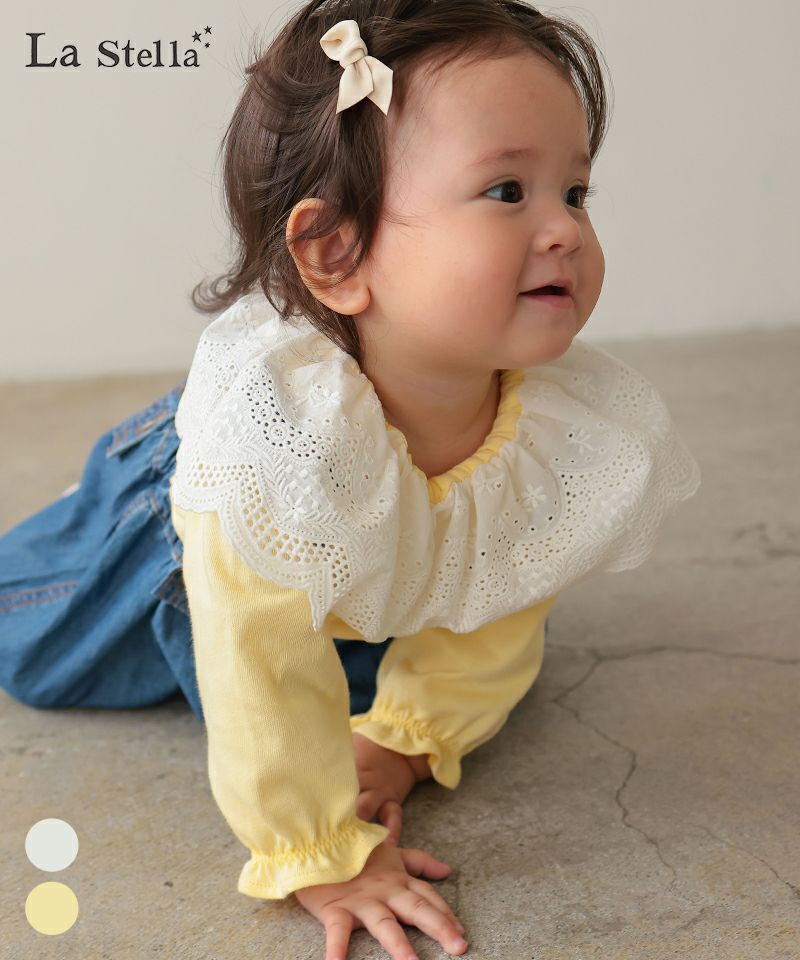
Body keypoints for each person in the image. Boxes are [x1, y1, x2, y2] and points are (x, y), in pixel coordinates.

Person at [0, 3, 702, 959]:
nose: (565, 232)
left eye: (574, 192)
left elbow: (507, 575)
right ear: (337, 251)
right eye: (507, 191)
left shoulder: (552, 423)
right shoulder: (278, 450)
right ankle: (73, 548)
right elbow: (259, 666)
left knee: (383, 677)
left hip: (351, 558)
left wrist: (410, 736)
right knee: (39, 650)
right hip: (169, 537)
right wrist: (318, 850)